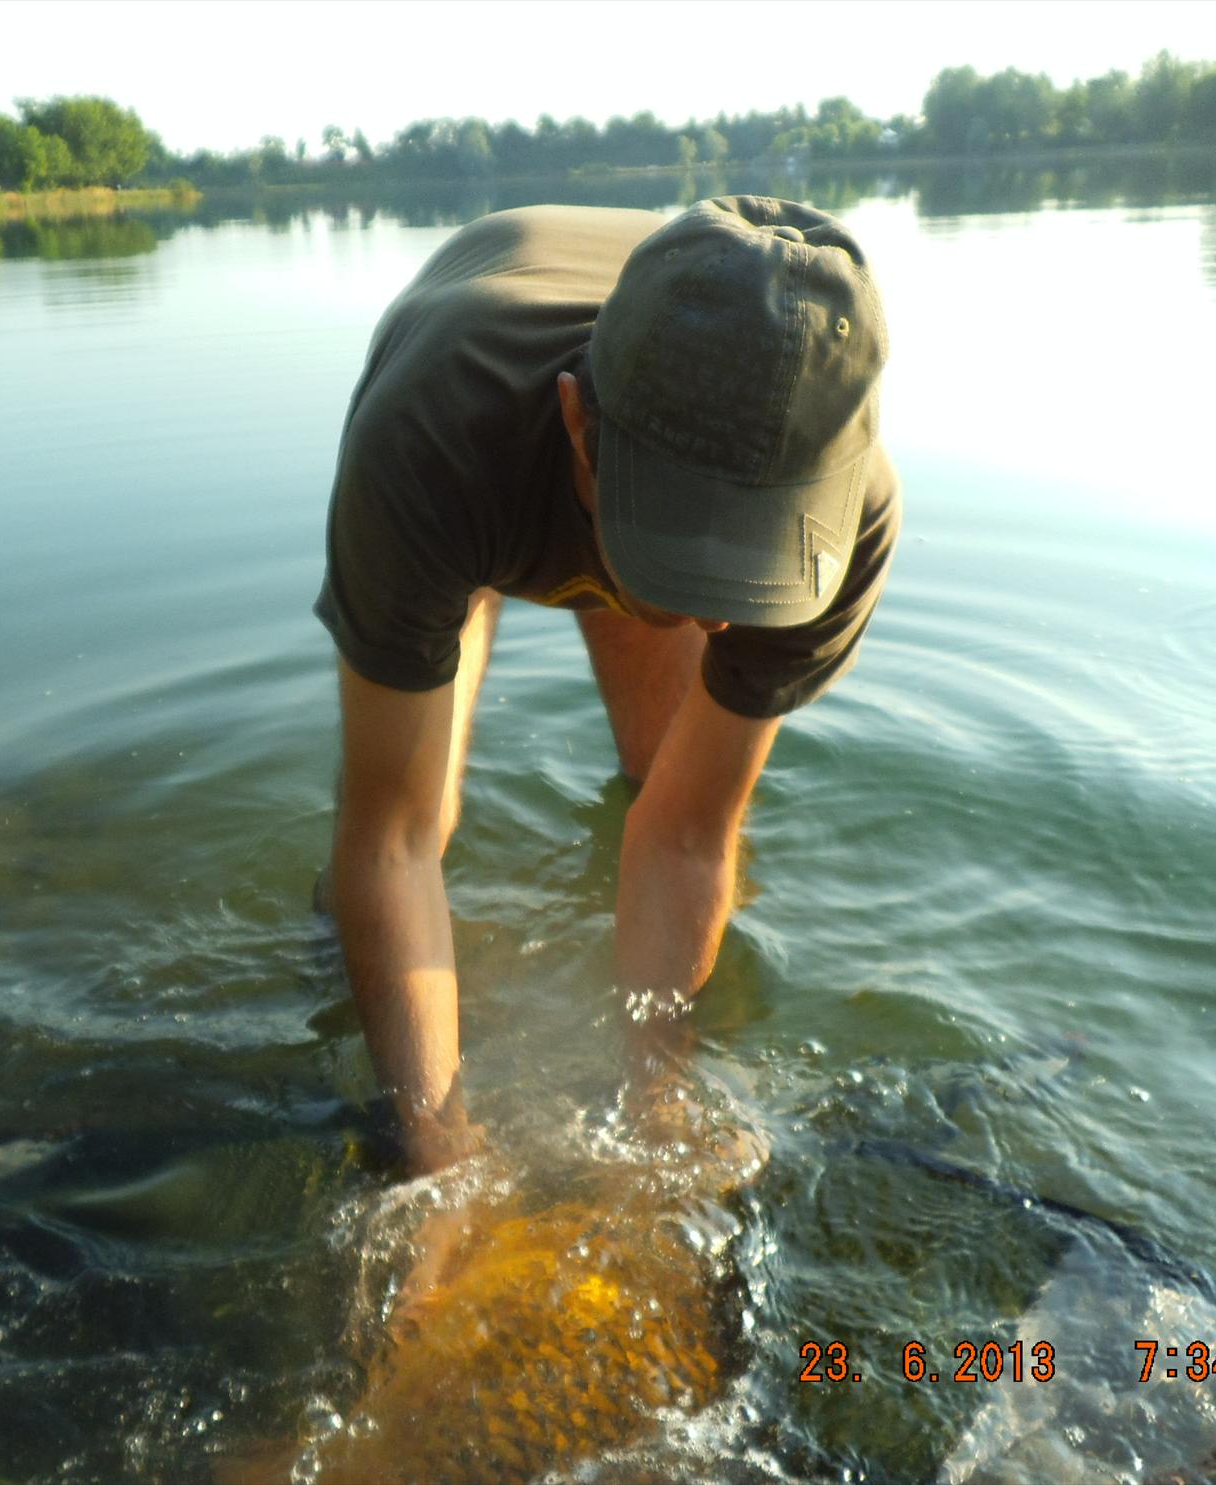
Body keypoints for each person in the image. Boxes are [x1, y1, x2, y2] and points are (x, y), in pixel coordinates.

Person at [314, 196, 900, 1176]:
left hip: (640, 437)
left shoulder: (850, 521)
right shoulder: (430, 439)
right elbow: (392, 841)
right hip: (485, 426)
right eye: (681, 562)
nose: (721, 623)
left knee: (658, 774)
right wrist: (433, 1158)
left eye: (750, 568)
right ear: (580, 428)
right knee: (418, 816)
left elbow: (684, 832)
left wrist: (656, 1101)